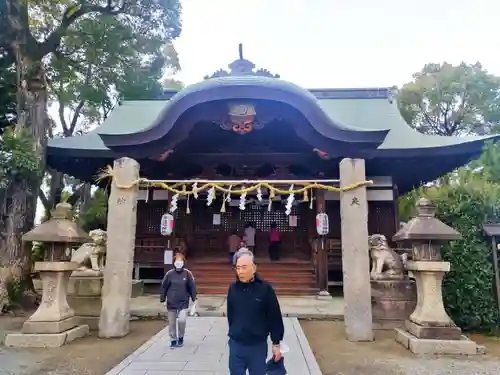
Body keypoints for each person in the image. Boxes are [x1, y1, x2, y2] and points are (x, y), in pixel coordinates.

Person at [227, 251, 284, 375]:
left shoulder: (265, 289)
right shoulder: (233, 288)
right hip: (237, 345)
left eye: (244, 267)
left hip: (257, 346)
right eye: (237, 268)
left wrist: (276, 342)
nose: (240, 271)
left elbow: (274, 317)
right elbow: (231, 314)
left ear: (254, 268)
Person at [160, 253, 197, 349]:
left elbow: (191, 287)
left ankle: (180, 337)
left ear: (183, 262)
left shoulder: (187, 274)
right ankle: (173, 340)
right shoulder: (169, 274)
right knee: (172, 323)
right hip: (171, 302)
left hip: (183, 302)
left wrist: (194, 299)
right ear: (174, 262)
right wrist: (163, 299)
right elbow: (164, 286)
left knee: (182, 320)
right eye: (177, 261)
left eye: (180, 261)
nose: (178, 263)